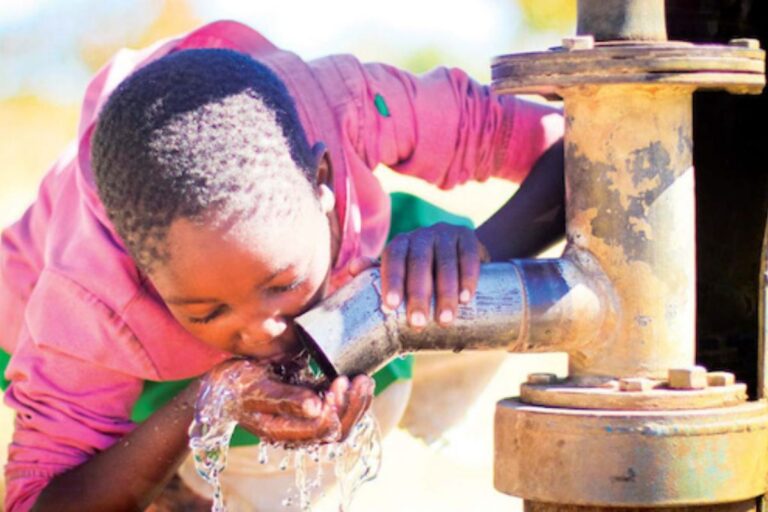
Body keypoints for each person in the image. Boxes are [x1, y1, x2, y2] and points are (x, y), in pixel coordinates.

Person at [0, 20, 564, 511]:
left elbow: (586, 147)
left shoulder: (351, 104)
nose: (266, 333)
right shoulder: (90, 296)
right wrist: (206, 404)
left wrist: (476, 253)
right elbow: (39, 500)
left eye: (283, 284)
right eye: (208, 311)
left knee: (415, 254)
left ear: (321, 181)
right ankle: (182, 487)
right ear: (143, 274)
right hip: (70, 350)